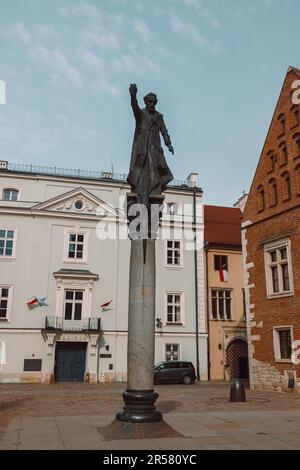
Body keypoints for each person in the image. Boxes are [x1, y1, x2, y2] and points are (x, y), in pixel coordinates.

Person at [127, 84, 174, 205]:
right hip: (142, 148)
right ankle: (141, 193)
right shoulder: (141, 114)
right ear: (146, 102)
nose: (151, 104)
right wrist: (133, 95)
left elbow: (164, 130)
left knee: (156, 171)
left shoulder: (159, 116)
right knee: (141, 172)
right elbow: (134, 107)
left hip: (155, 148)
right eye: (149, 101)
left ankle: (153, 191)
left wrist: (168, 143)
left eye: (153, 102)